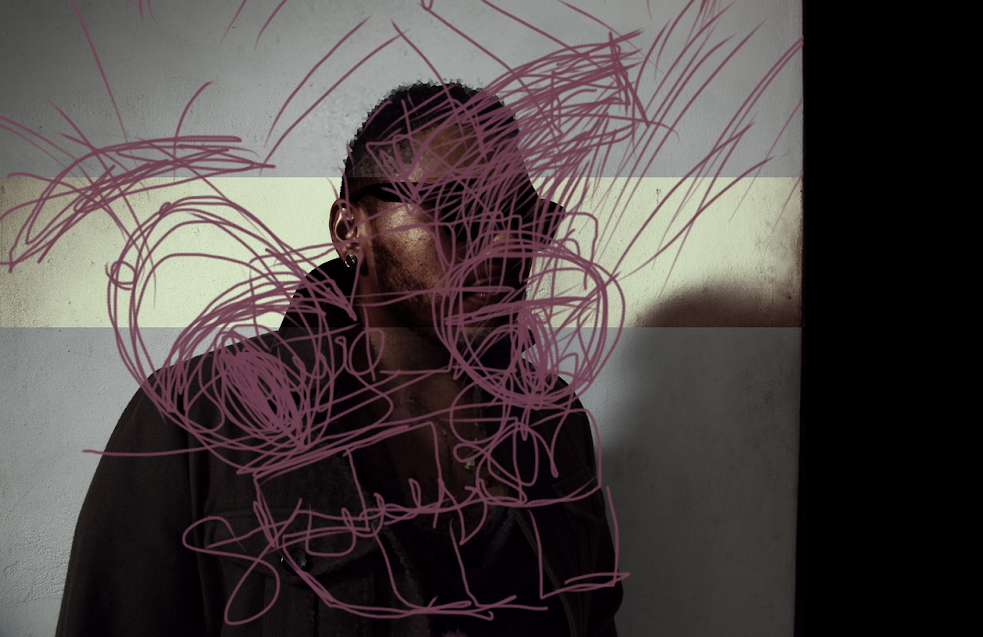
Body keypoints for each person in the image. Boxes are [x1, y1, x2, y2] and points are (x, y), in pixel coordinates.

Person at [55, 82, 624, 636]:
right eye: (459, 207)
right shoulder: (201, 418)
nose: (505, 243)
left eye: (525, 214)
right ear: (350, 229)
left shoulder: (555, 424)